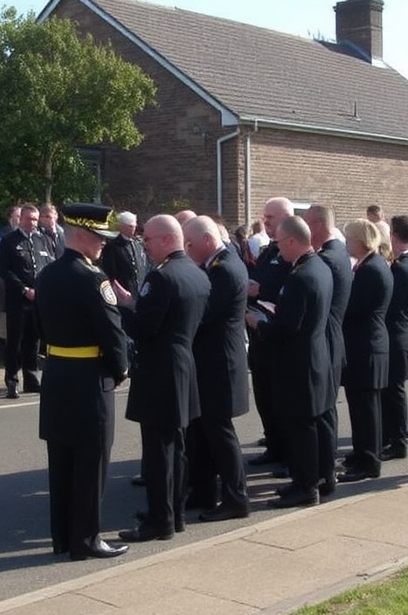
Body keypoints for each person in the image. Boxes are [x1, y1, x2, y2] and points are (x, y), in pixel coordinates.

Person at [34, 202, 130, 560]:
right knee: (91, 463)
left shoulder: (46, 275)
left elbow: (39, 327)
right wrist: (121, 369)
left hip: (57, 374)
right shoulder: (94, 279)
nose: (104, 244)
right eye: (99, 238)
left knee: (61, 461)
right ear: (82, 236)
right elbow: (112, 333)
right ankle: (87, 539)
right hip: (90, 380)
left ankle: (63, 536)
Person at [116, 215, 209, 542]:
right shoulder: (197, 274)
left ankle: (160, 520)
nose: (145, 245)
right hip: (184, 365)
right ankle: (174, 513)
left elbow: (144, 328)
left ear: (167, 239)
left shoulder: (161, 278)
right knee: (178, 447)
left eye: (149, 240)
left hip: (160, 370)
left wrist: (125, 307)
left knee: (158, 452)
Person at [245, 215, 334, 509]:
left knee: (300, 427)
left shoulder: (300, 276)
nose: (278, 249)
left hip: (298, 363)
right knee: (314, 423)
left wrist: (258, 323)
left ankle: (306, 487)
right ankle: (318, 477)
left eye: (281, 243)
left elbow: (287, 327)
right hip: (314, 357)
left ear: (293, 241)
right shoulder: (319, 267)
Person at [182, 216, 250, 521]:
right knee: (202, 431)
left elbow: (204, 313)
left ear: (207, 241)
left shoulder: (224, 269)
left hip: (219, 363)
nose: (187, 249)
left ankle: (236, 498)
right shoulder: (216, 264)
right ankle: (204, 491)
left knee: (220, 432)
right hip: (209, 361)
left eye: (190, 244)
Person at [337, 219, 392, 483]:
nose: (346, 244)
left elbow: (355, 308)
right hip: (363, 344)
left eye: (349, 239)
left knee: (366, 408)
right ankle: (361, 453)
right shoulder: (368, 265)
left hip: (367, 346)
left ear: (360, 241)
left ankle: (369, 461)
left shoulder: (372, 269)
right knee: (359, 406)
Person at [302, 204, 351, 495]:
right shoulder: (334, 254)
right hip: (331, 335)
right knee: (325, 408)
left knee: (322, 409)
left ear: (319, 225)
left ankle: (324, 471)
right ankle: (325, 469)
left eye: (308, 224)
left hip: (327, 337)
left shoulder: (329, 259)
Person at [246, 197, 296, 468]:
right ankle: (273, 444)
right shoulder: (267, 251)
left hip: (278, 335)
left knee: (280, 398)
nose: (265, 221)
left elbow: (288, 290)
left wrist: (260, 290)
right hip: (259, 332)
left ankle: (288, 451)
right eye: (264, 217)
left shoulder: (291, 255)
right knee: (264, 394)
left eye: (271, 218)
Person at [0, 203, 52, 397]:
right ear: (20, 219)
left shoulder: (42, 240)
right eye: (29, 219)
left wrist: (41, 289)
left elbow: (48, 266)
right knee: (14, 341)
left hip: (37, 300)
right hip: (18, 300)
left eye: (36, 219)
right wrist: (23, 289)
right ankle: (12, 380)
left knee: (33, 341)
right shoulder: (9, 241)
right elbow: (4, 270)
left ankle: (31, 378)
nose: (33, 223)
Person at [380, 216, 408, 461]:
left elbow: (390, 306)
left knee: (393, 392)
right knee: (392, 391)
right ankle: (391, 437)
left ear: (394, 235)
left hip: (395, 334)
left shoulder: (401, 268)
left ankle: (397, 442)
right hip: (402, 332)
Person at [100, 210, 148, 348]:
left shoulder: (137, 245)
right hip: (123, 293)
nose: (134, 229)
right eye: (130, 226)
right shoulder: (113, 246)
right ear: (122, 226)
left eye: (134, 225)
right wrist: (120, 291)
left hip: (138, 291)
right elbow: (110, 273)